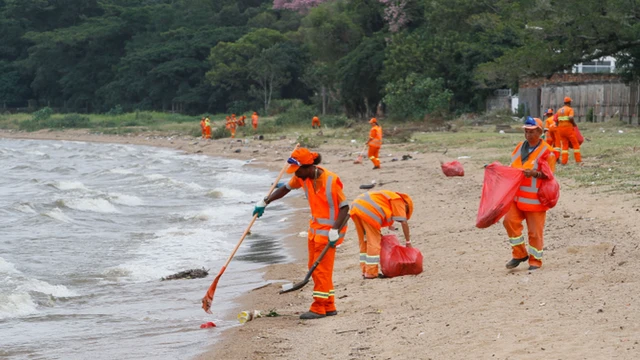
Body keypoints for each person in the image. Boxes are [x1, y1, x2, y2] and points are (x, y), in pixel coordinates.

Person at [253, 148, 349, 319]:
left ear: (308, 166)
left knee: (320, 271)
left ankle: (318, 308)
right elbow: (285, 189)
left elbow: (345, 207)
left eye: (298, 170)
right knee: (317, 269)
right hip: (314, 231)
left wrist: (334, 230)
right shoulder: (303, 177)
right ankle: (329, 305)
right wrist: (265, 201)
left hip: (329, 233)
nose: (296, 174)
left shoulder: (330, 180)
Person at [504, 117, 557, 271]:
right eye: (526, 131)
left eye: (532, 132)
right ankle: (519, 254)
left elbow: (549, 175)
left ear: (540, 132)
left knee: (535, 232)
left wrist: (535, 173)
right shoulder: (520, 147)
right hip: (517, 196)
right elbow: (512, 166)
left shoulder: (548, 151)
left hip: (536, 200)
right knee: (509, 221)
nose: (528, 134)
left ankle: (535, 261)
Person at [349, 190, 414, 279]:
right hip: (367, 210)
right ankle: (371, 272)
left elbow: (383, 207)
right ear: (406, 206)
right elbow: (403, 222)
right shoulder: (398, 200)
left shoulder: (389, 196)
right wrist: (408, 242)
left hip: (356, 206)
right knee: (374, 241)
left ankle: (365, 270)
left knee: (364, 241)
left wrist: (390, 225)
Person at [555, 97, 582, 164]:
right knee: (575, 144)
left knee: (564, 145)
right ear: (569, 103)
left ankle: (564, 161)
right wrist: (574, 124)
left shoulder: (559, 110)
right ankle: (578, 160)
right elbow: (570, 117)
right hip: (568, 129)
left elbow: (556, 121)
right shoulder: (570, 109)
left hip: (560, 130)